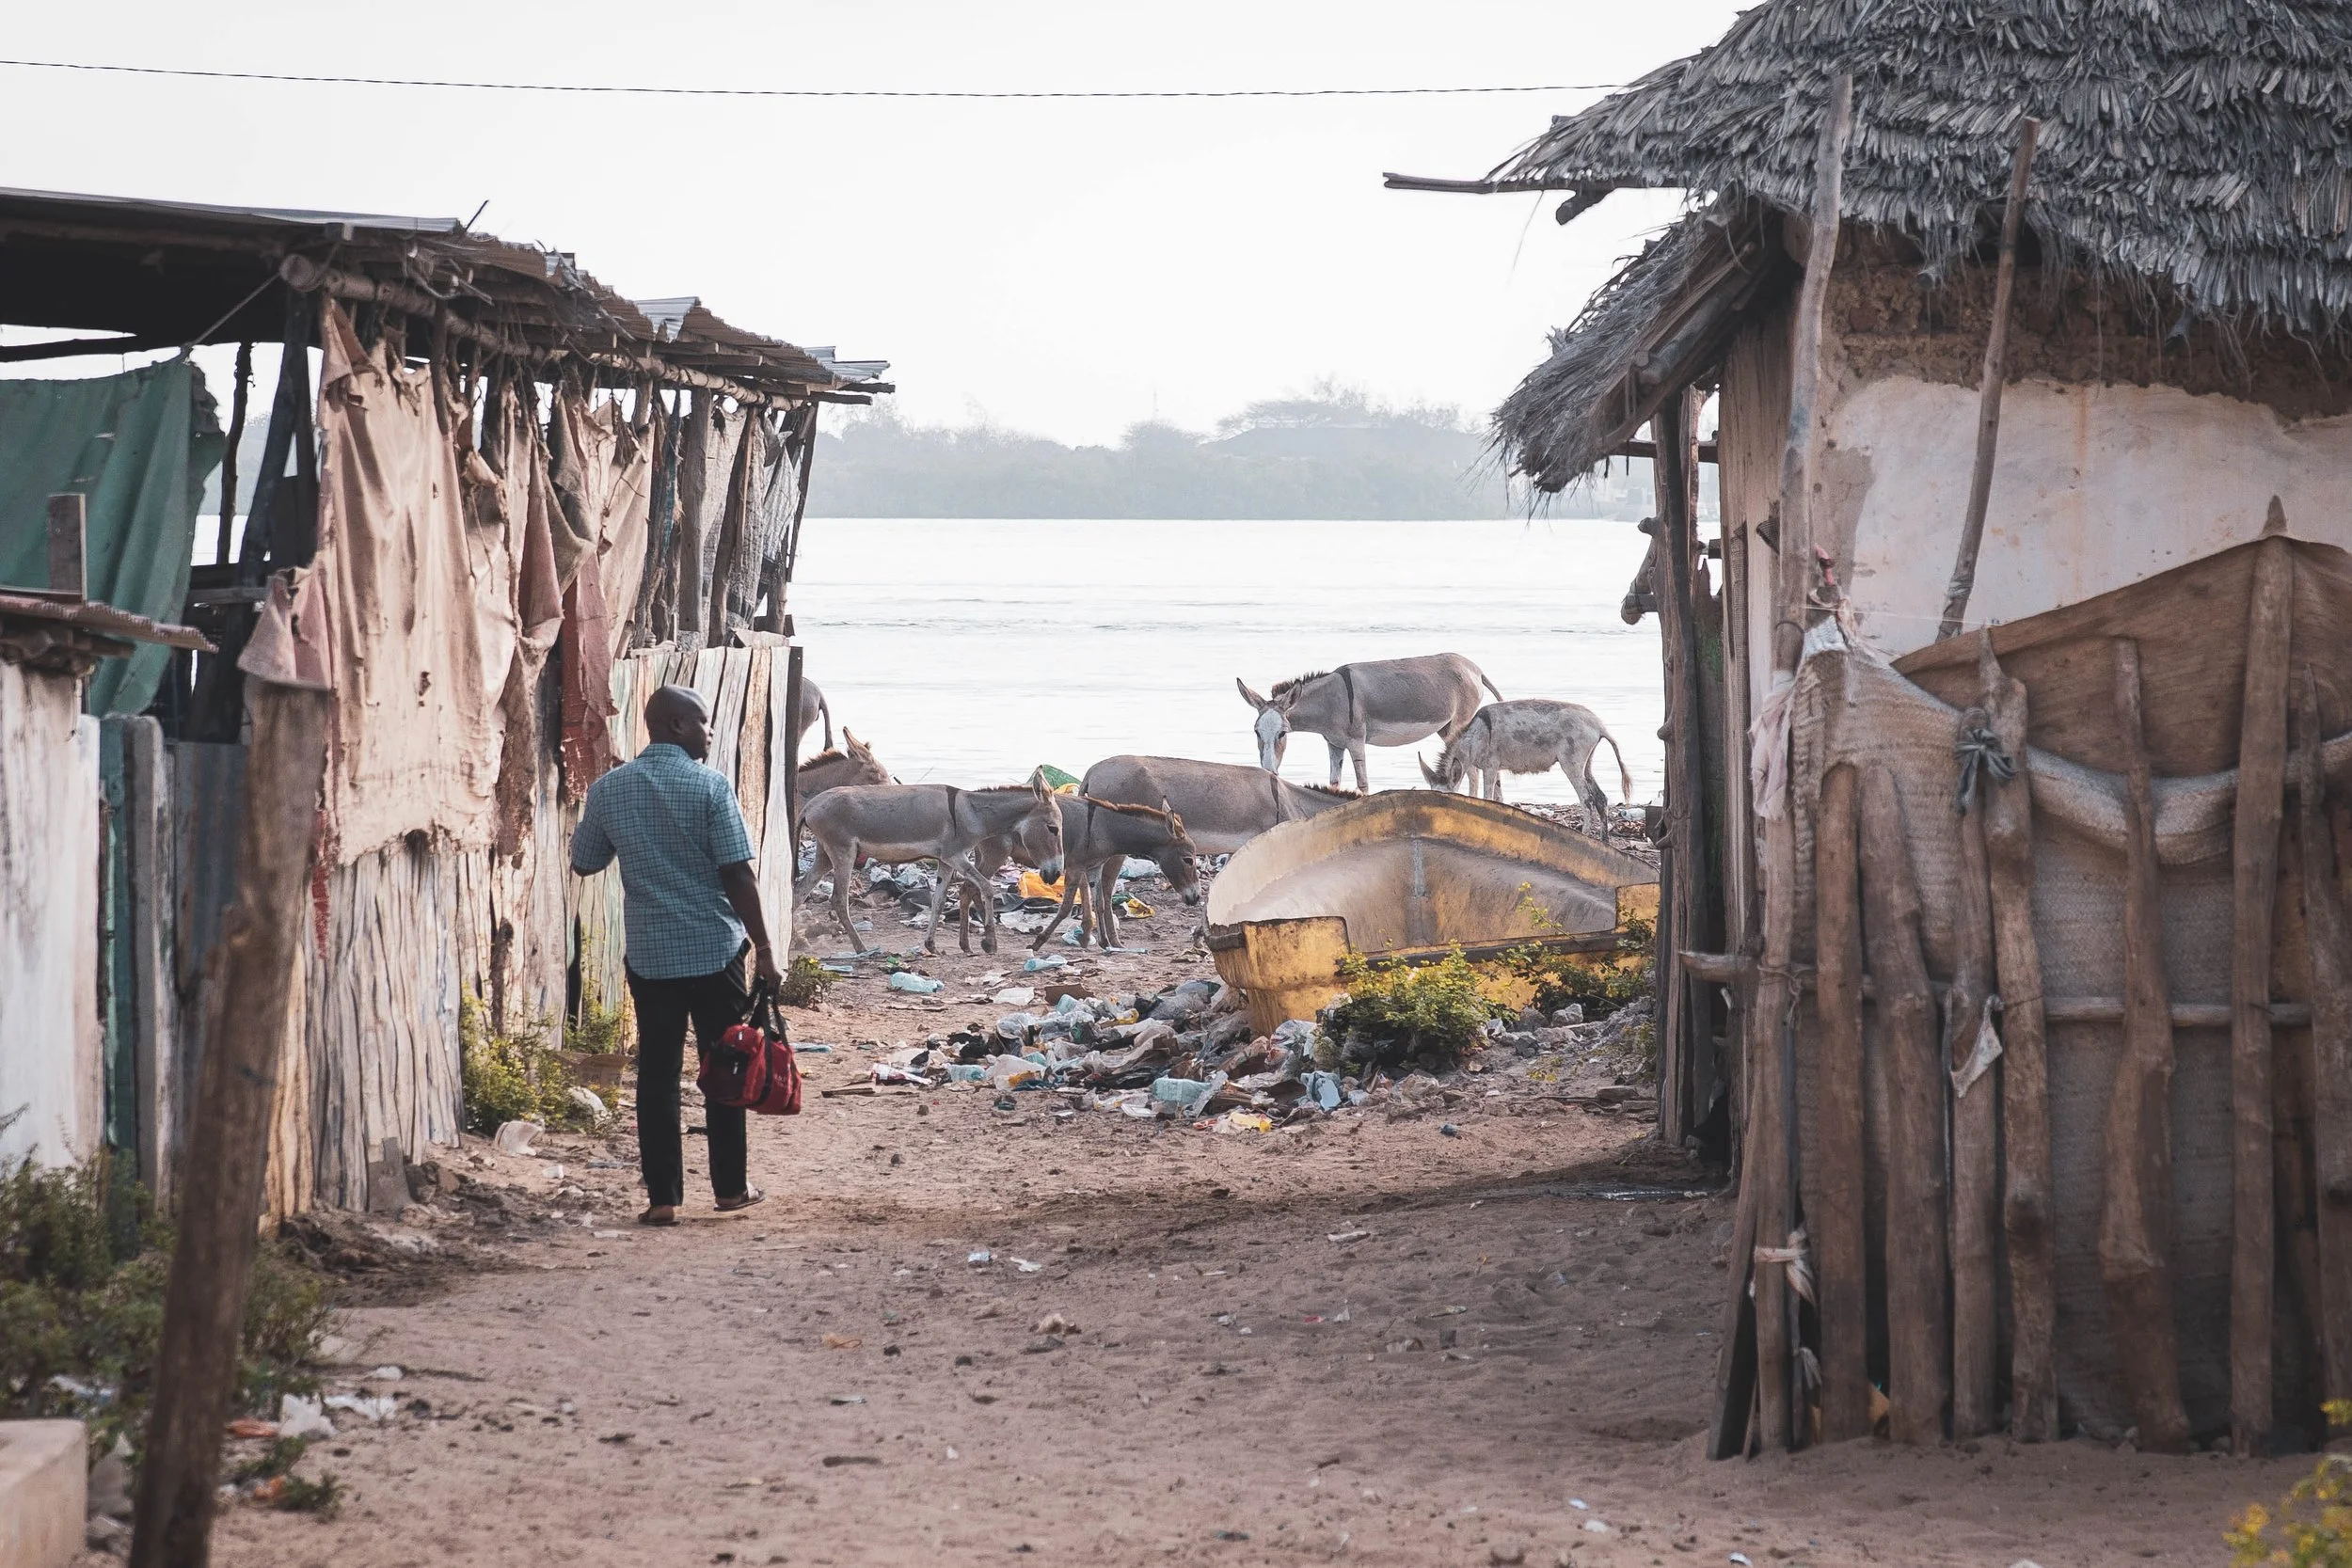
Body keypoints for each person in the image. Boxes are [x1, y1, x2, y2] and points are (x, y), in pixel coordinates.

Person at [570, 684, 783, 1226]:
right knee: (725, 1065)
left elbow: (585, 862)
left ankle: (663, 1198)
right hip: (715, 950)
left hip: (651, 956)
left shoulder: (608, 789)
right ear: (676, 725)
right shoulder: (711, 786)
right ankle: (730, 1190)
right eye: (704, 722)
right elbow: (738, 873)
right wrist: (763, 948)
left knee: (658, 1074)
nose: (710, 732)